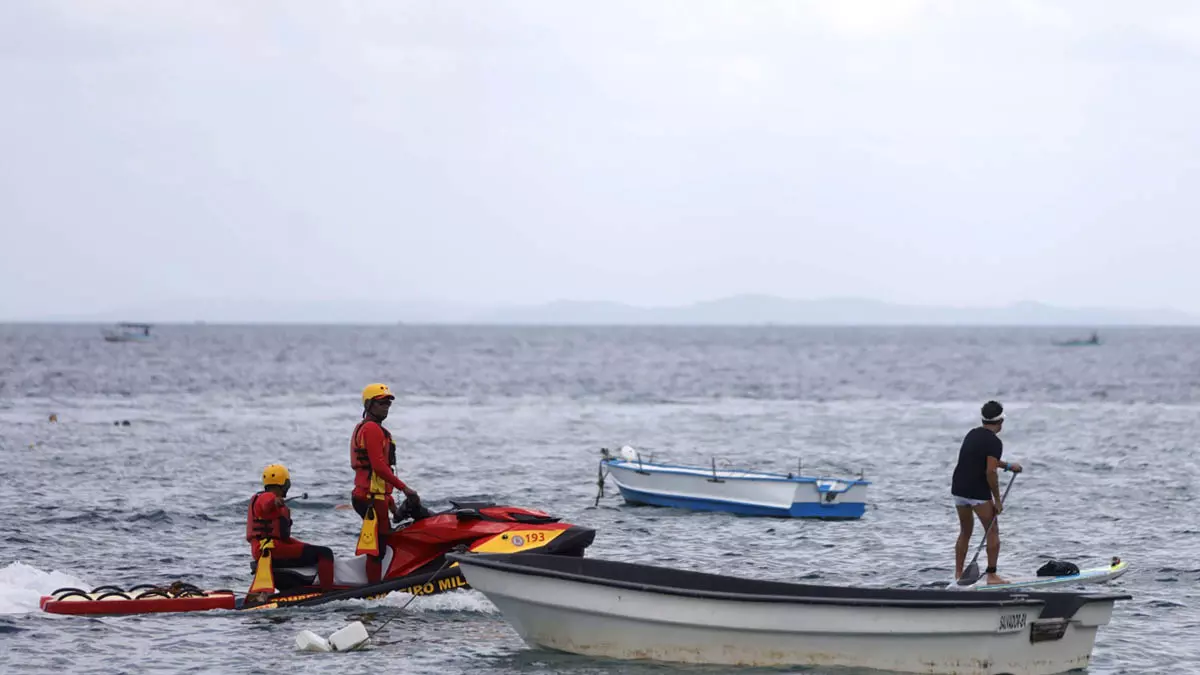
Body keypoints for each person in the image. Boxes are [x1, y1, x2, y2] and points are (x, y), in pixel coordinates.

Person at [351, 383, 421, 583]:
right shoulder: (371, 428)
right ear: (369, 405)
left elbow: (378, 475)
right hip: (369, 498)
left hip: (376, 497)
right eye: (381, 403)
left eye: (388, 404)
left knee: (384, 540)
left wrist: (391, 502)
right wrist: (405, 489)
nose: (386, 408)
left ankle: (385, 578)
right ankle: (374, 590)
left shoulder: (371, 429)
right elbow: (379, 467)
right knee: (378, 547)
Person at [951, 400, 1023, 584]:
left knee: (965, 531)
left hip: (959, 488)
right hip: (977, 491)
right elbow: (990, 471)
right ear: (1000, 422)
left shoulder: (972, 434)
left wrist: (1007, 466)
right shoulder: (994, 442)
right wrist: (997, 500)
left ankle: (958, 575)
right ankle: (991, 575)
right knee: (993, 531)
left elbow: (985, 460)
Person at [246, 463, 335, 595]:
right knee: (325, 553)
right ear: (284, 484)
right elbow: (266, 502)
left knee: (314, 550)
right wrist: (274, 501)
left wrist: (308, 546)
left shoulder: (268, 501)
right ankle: (328, 592)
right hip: (271, 550)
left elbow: (284, 538)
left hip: (270, 548)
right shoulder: (265, 498)